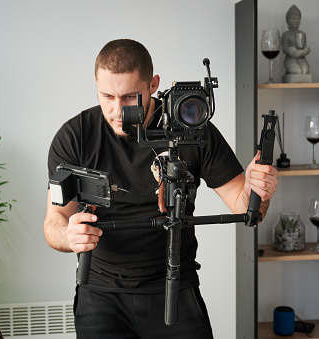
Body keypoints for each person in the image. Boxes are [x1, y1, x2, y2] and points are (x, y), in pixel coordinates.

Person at [44, 39, 278, 339]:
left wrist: (259, 190)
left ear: (153, 84)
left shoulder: (191, 127)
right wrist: (70, 235)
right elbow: (54, 222)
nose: (117, 111)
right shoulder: (75, 137)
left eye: (130, 97)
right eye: (107, 96)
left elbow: (245, 206)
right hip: (100, 294)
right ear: (96, 84)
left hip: (174, 285)